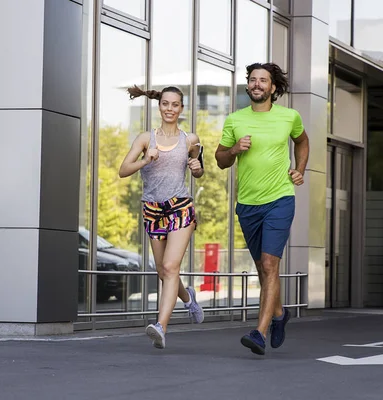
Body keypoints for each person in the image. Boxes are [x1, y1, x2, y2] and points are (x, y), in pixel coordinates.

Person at [215, 63, 309, 355]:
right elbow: (220, 160)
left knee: (270, 265)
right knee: (262, 268)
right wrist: (233, 150)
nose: (257, 84)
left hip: (280, 199)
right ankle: (280, 314)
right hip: (248, 205)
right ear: (248, 86)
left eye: (263, 80)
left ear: (272, 87)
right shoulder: (234, 119)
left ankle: (260, 332)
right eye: (253, 80)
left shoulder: (289, 117)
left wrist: (300, 168)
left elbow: (302, 141)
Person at [119, 85, 205, 349]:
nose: (170, 109)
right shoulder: (146, 138)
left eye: (175, 105)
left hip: (180, 206)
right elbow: (123, 170)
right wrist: (146, 160)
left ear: (181, 108)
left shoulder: (189, 139)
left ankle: (161, 327)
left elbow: (199, 170)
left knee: (170, 266)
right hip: (153, 209)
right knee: (163, 270)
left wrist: (197, 166)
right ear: (160, 107)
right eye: (165, 104)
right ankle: (188, 298)